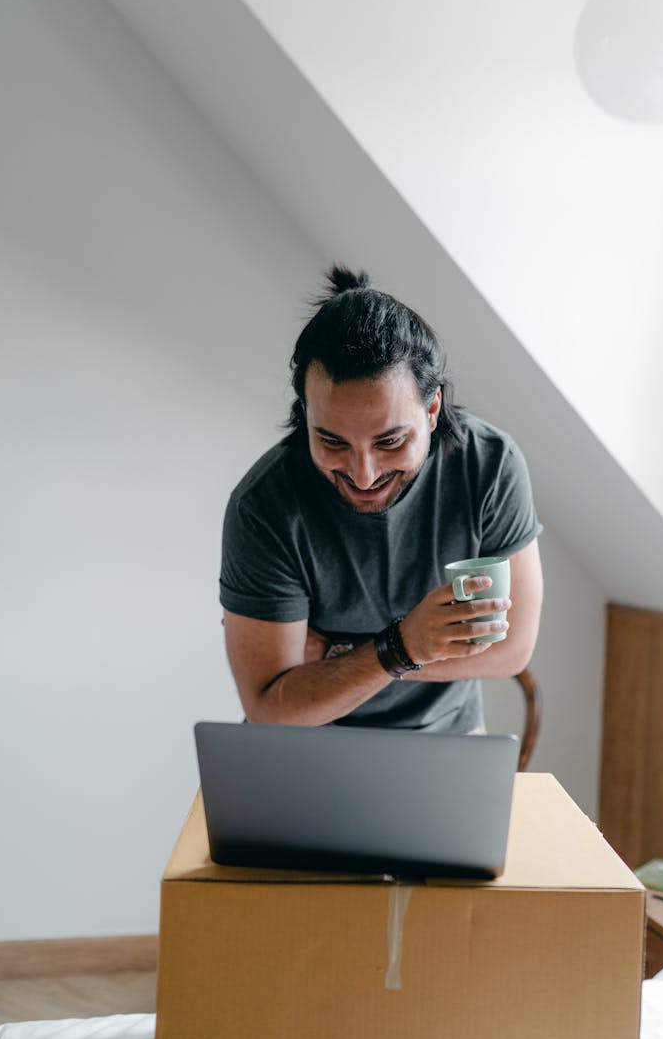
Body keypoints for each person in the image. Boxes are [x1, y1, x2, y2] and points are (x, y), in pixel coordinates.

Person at [220, 266, 543, 733]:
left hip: (447, 743)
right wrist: (403, 646)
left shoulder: (489, 467)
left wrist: (362, 652)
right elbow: (270, 707)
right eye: (332, 442)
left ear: (432, 410)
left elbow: (511, 650)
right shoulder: (264, 506)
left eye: (390, 442)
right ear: (305, 414)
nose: (363, 473)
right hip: (306, 750)